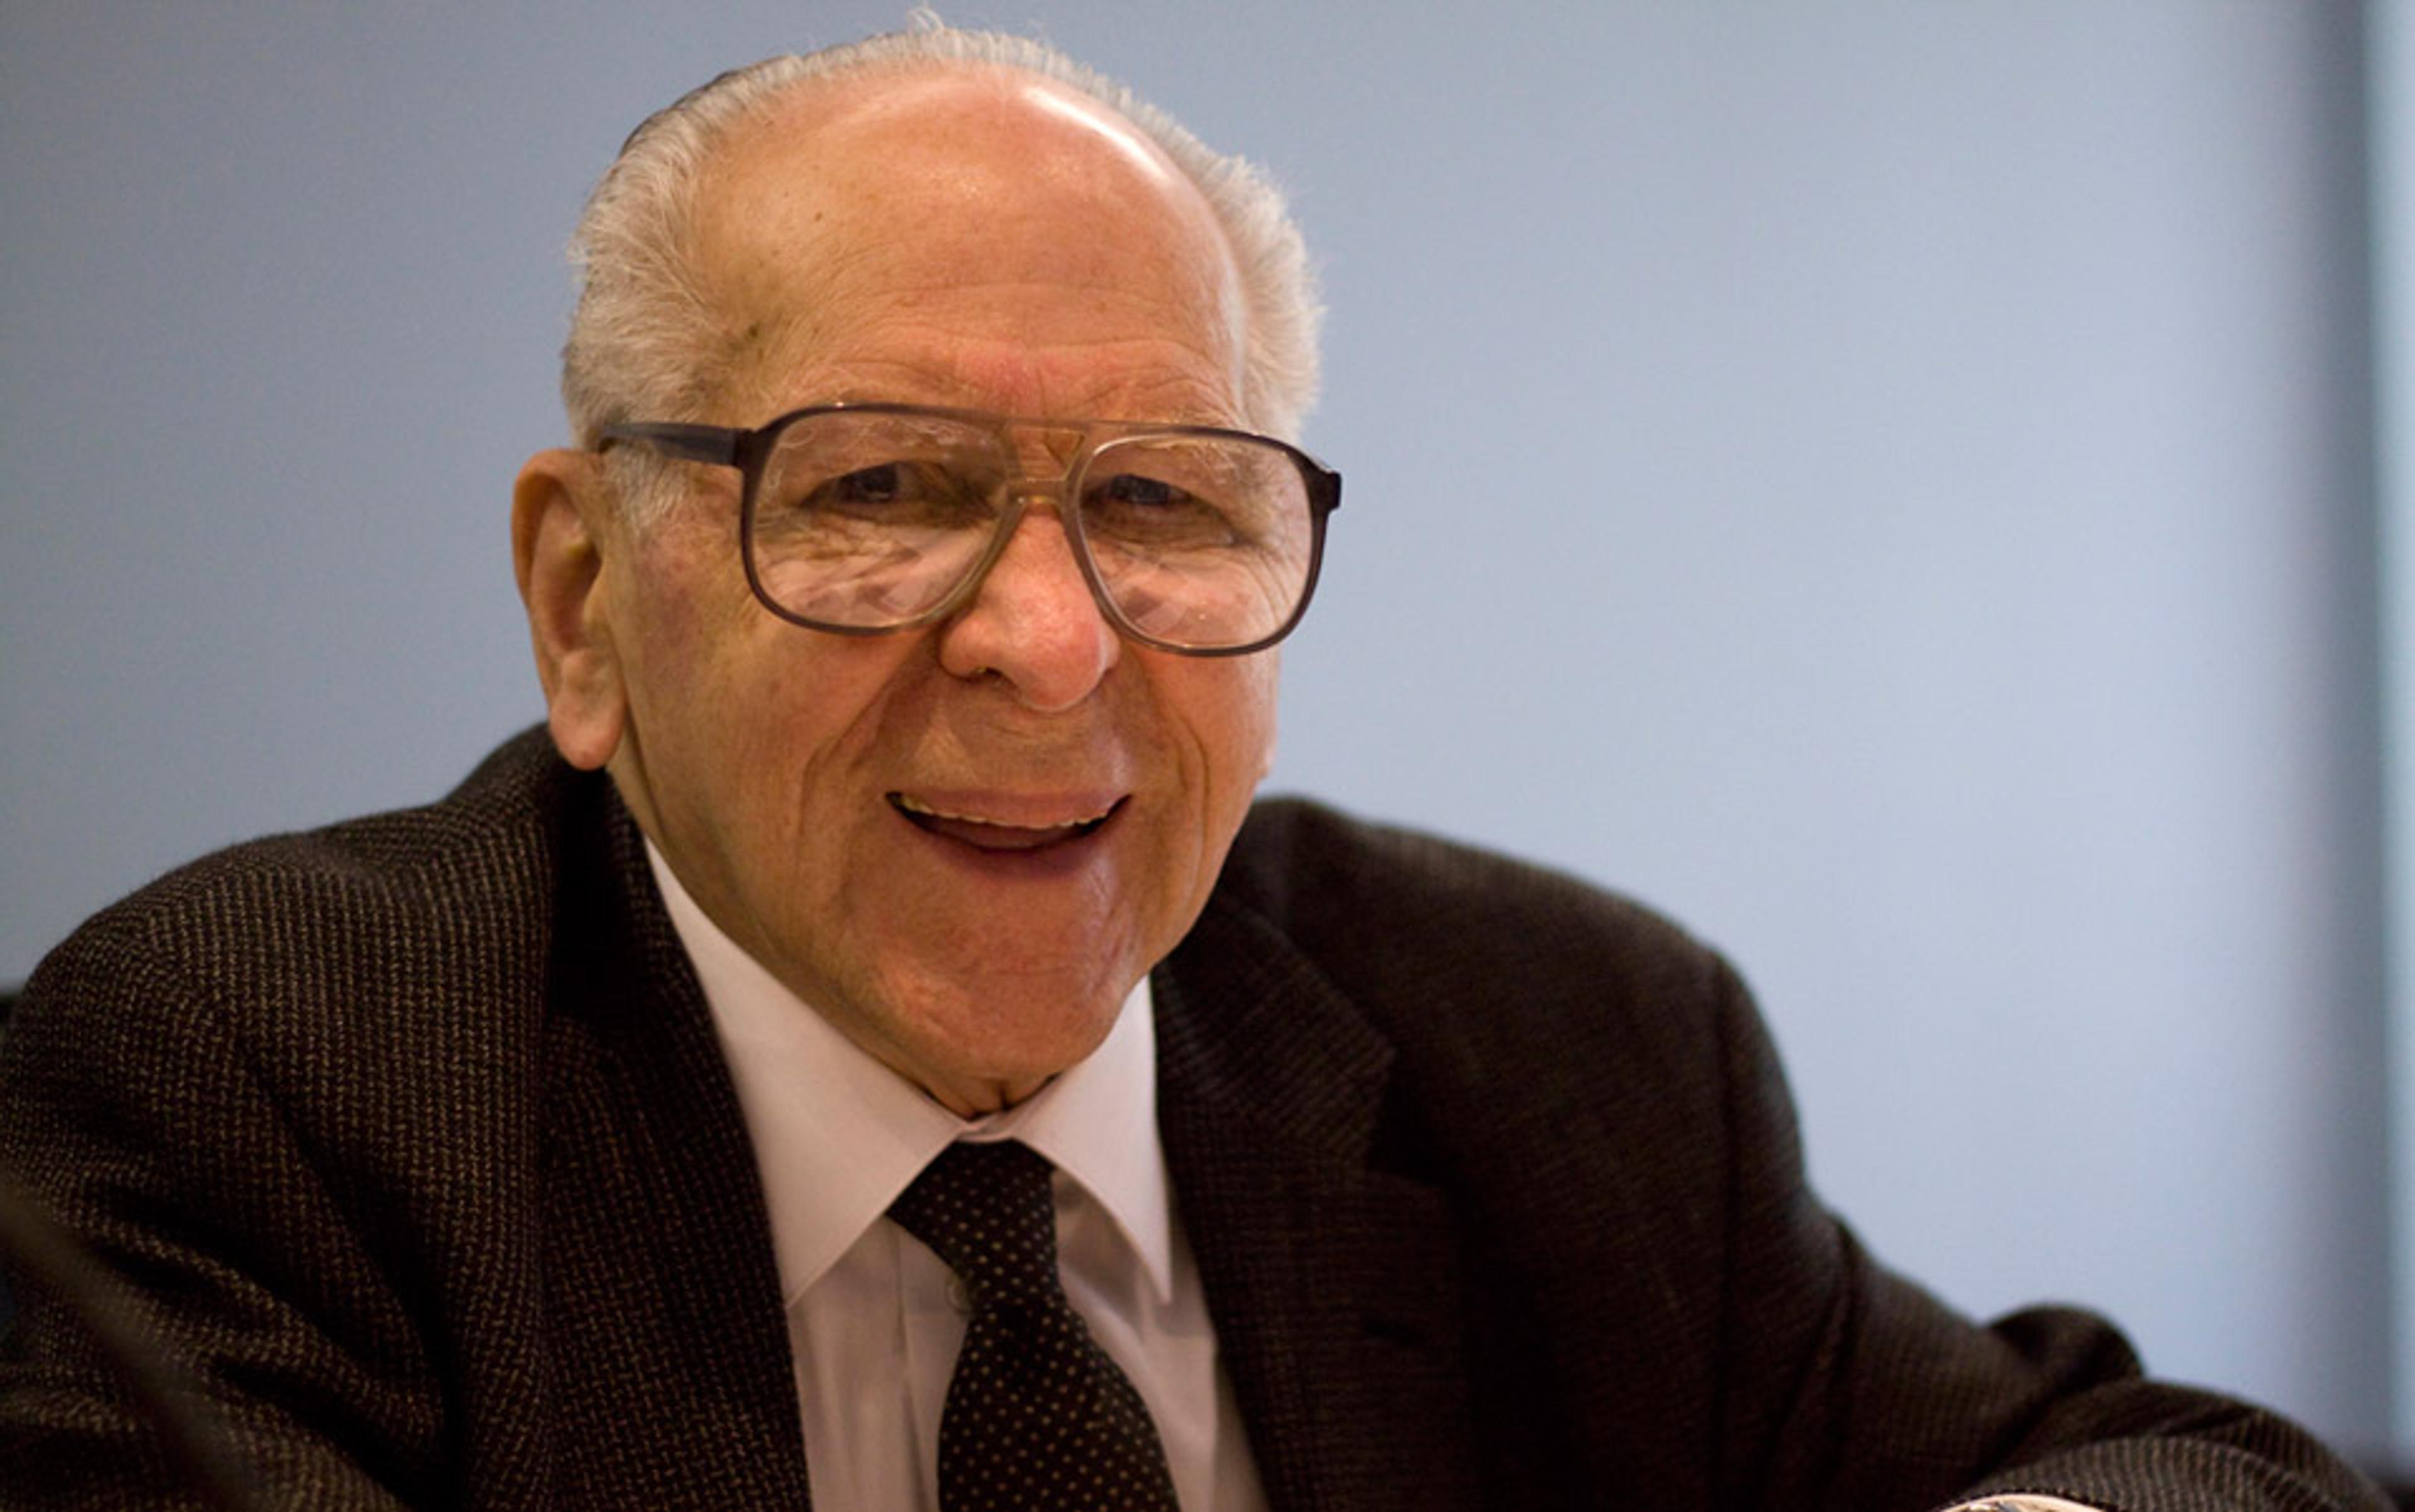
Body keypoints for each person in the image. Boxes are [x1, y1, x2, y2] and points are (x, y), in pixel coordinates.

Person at [0, 23, 2392, 1512]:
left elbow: (2207, 1471)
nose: (1050, 646)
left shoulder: (1570, 1051)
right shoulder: (249, 1084)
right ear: (583, 602)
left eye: (1165, 500)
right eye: (880, 488)